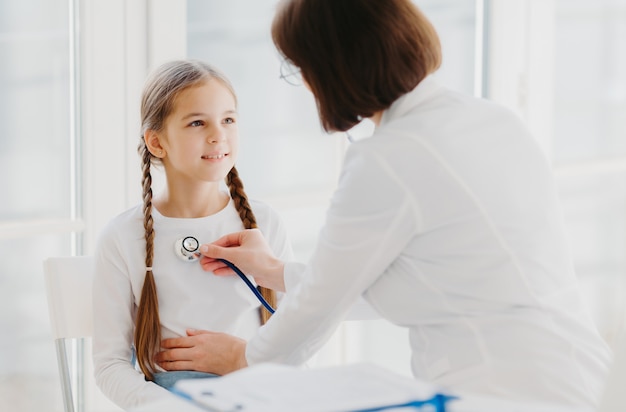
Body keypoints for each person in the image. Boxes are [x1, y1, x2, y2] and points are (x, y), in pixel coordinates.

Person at [155, 0, 612, 409]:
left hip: (499, 390)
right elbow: (415, 279)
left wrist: (244, 357)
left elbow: (322, 304)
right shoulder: (491, 119)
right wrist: (275, 271)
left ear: (333, 68)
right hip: (578, 374)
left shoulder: (388, 160)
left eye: (302, 69)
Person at [92, 59, 293, 410]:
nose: (218, 135)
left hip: (258, 396)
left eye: (228, 119)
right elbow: (109, 366)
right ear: (156, 142)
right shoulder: (122, 237)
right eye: (198, 122)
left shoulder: (264, 223)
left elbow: (297, 344)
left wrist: (245, 360)